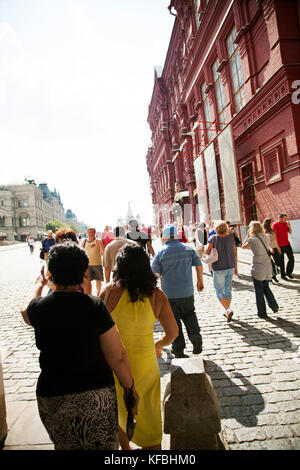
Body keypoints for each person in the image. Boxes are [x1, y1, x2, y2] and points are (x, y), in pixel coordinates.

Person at [20, 242, 139, 450]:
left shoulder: (40, 308)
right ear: (84, 272)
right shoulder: (93, 306)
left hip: (53, 394)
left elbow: (25, 310)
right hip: (94, 394)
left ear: (51, 272)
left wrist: (39, 282)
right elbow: (117, 356)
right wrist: (129, 388)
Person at [100, 243, 178, 450]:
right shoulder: (156, 295)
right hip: (146, 366)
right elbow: (173, 333)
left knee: (120, 413)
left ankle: (126, 450)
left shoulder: (107, 293)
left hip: (115, 367)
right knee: (150, 416)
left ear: (119, 266)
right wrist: (157, 344)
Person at [152, 224, 204, 359]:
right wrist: (200, 280)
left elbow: (155, 274)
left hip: (169, 294)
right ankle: (196, 338)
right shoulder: (188, 248)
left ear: (164, 237)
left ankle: (179, 350)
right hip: (187, 292)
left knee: (174, 322)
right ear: (176, 235)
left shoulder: (161, 252)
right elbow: (199, 265)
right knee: (190, 315)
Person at [242, 221, 279, 319]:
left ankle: (262, 312)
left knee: (259, 290)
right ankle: (274, 305)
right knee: (266, 287)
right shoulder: (266, 236)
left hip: (258, 266)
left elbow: (243, 246)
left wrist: (248, 235)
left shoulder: (252, 239)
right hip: (267, 265)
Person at [205, 221, 237, 322]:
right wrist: (235, 265)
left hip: (219, 267)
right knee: (228, 289)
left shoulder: (213, 238)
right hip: (230, 265)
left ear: (216, 229)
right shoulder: (231, 237)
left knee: (218, 290)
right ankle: (227, 310)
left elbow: (207, 251)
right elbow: (234, 252)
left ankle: (228, 309)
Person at [81, 227, 105, 295]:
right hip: (87, 265)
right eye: (89, 232)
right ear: (87, 233)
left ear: (95, 233)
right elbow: (81, 253)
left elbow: (103, 252)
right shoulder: (84, 242)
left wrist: (105, 262)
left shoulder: (98, 241)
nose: (91, 233)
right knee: (87, 281)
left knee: (98, 280)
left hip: (97, 264)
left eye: (92, 232)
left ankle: (99, 293)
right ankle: (89, 295)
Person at [272, 214, 294, 280]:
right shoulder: (275, 224)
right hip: (280, 245)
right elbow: (274, 236)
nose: (285, 220)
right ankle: (283, 275)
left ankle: (288, 273)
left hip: (287, 244)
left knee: (291, 258)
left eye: (286, 218)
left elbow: (290, 232)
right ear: (280, 218)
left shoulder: (286, 224)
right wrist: (277, 246)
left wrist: (289, 226)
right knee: (281, 261)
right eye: (284, 218)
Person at [263, 218, 281, 283]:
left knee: (277, 262)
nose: (272, 223)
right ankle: (272, 276)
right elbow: (265, 241)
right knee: (270, 263)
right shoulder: (264, 231)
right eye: (271, 222)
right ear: (268, 223)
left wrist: (278, 248)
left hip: (274, 247)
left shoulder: (272, 230)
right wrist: (270, 248)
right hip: (268, 249)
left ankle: (274, 274)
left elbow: (275, 240)